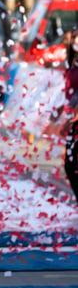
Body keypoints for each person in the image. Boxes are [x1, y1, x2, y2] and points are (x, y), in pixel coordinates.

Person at [63, 26, 78, 202]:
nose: (74, 41)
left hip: (75, 121)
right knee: (70, 165)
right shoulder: (72, 64)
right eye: (73, 37)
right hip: (73, 123)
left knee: (72, 165)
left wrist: (74, 116)